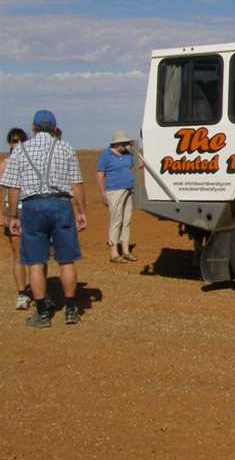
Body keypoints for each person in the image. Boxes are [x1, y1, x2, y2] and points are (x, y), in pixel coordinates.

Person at [0, 110, 87, 328]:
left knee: (36, 261)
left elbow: (13, 187)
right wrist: (82, 211)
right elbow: (77, 184)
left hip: (32, 207)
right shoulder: (66, 147)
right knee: (66, 260)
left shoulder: (20, 150)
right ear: (55, 128)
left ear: (33, 128)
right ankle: (70, 309)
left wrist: (12, 216)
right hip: (61, 205)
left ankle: (41, 314)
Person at [96, 131, 135, 263]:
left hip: (128, 190)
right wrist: (102, 193)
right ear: (117, 143)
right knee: (116, 220)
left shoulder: (127, 155)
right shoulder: (106, 155)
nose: (126, 145)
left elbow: (140, 164)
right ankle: (114, 252)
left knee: (127, 220)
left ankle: (125, 251)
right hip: (114, 190)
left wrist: (133, 150)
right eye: (124, 143)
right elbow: (100, 174)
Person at [2, 128, 30, 309]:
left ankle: (39, 291)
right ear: (9, 143)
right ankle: (22, 293)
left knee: (37, 253)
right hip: (13, 212)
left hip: (32, 210)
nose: (17, 143)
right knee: (18, 252)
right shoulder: (4, 164)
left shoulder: (30, 161)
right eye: (13, 140)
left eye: (20, 140)